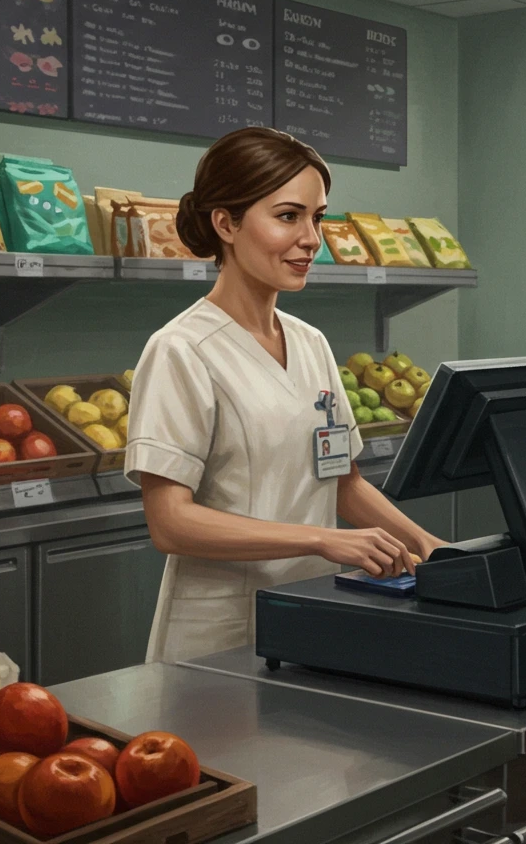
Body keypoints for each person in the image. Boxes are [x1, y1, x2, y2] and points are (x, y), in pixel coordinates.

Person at [125, 127, 446, 664]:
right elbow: (170, 522)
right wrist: (319, 539)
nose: (311, 238)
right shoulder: (181, 349)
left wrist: (427, 544)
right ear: (225, 224)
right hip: (220, 633)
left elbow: (341, 481)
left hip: (314, 610)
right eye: (288, 216)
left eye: (316, 217)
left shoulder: (310, 343)